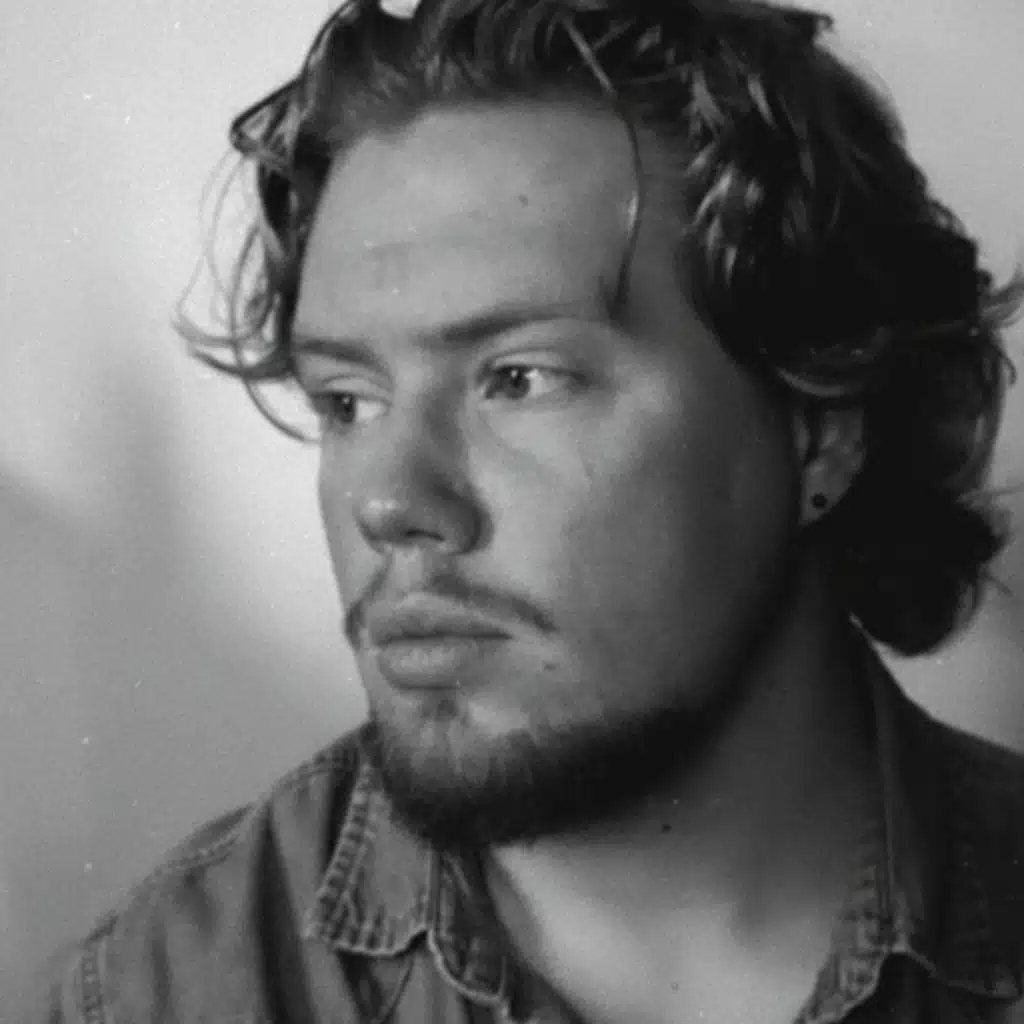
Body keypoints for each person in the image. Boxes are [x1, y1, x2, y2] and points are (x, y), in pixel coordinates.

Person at [22, 0, 1024, 1021]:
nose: (389, 502)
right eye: (348, 401)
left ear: (818, 432)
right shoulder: (162, 995)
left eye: (519, 378)